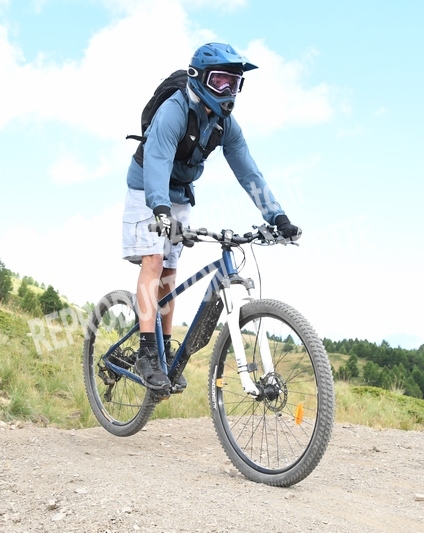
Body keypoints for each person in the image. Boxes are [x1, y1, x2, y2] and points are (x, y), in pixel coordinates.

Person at [121, 42, 302, 396]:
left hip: (179, 194)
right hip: (146, 190)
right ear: (199, 77)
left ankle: (165, 350)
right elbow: (157, 160)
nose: (227, 91)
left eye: (234, 83)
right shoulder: (174, 111)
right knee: (154, 261)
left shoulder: (225, 125)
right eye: (220, 81)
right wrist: (159, 209)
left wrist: (277, 216)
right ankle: (146, 353)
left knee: (170, 274)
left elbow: (249, 172)